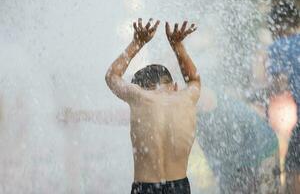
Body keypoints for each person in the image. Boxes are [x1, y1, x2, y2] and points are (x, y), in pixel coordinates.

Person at [105, 18, 201, 194]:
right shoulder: (186, 98)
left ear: (140, 88)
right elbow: (194, 79)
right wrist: (177, 45)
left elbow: (112, 76)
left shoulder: (138, 97)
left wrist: (137, 42)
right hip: (178, 187)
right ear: (174, 86)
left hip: (146, 188)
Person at [196, 86, 278, 194]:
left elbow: (247, 154)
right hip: (244, 155)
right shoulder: (200, 121)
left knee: (259, 188)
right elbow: (212, 157)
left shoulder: (230, 114)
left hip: (264, 149)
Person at [266, 0, 300, 193]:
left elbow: (278, 85)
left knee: (293, 169)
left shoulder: (279, 46)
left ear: (276, 26)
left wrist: (258, 92)